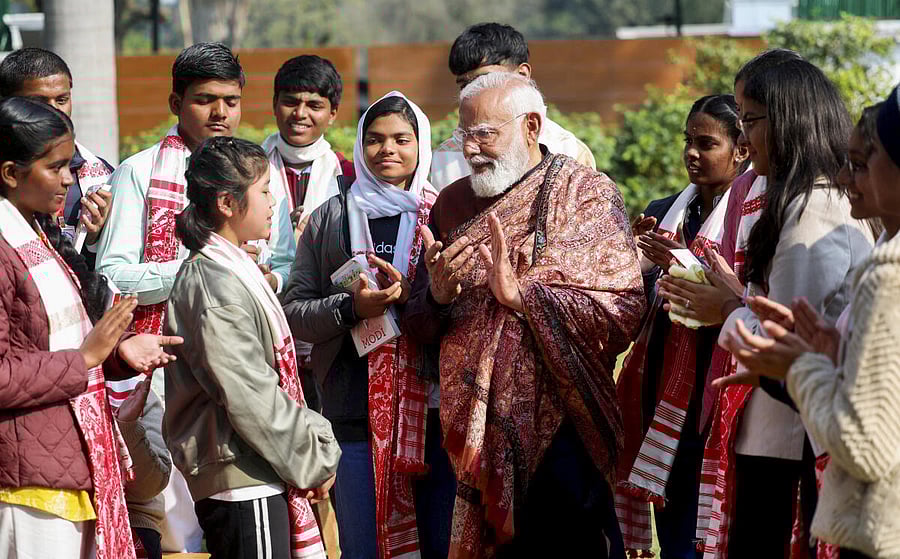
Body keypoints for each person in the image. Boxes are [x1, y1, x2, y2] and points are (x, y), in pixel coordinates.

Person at [403, 72, 644, 558]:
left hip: (566, 431)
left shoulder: (585, 194)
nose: (470, 150)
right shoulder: (450, 205)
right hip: (477, 439)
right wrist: (439, 298)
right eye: (464, 136)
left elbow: (623, 306)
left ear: (531, 126)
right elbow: (418, 325)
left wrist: (524, 297)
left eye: (484, 134)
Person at [659, 59, 873, 559]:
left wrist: (728, 308)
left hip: (791, 436)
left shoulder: (814, 208)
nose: (744, 136)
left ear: (789, 119)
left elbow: (788, 335)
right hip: (776, 429)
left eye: (750, 120)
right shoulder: (793, 198)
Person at [717, 91, 900, 559]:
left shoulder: (888, 275)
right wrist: (834, 353)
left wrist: (800, 366)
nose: (843, 178)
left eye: (861, 163)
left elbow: (863, 445)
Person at [0, 97, 180, 559]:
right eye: (56, 167)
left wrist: (119, 353)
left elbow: (57, 338)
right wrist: (85, 360)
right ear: (9, 173)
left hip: (64, 461)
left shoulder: (36, 234)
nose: (69, 180)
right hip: (24, 482)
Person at [281, 90, 451, 559]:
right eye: (375, 140)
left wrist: (433, 295)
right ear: (359, 145)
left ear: (422, 144)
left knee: (439, 542)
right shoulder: (330, 217)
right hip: (353, 410)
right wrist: (353, 309)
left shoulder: (444, 214)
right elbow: (295, 311)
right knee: (363, 545)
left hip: (432, 413)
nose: (388, 150)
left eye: (401, 139)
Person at [95, 41, 245, 553]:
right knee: (167, 513)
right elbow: (112, 273)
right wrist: (196, 269)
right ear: (175, 103)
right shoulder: (140, 172)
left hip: (236, 364)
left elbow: (282, 265)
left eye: (231, 99)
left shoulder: (250, 171)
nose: (221, 112)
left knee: (234, 511)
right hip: (158, 368)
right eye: (205, 99)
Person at [163, 136, 341, 559]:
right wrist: (311, 455)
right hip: (241, 473)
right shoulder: (214, 281)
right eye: (263, 190)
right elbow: (249, 394)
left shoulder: (231, 268)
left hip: (255, 466)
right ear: (227, 203)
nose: (272, 201)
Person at [614, 94, 748, 559]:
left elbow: (741, 294)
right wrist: (637, 263)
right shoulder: (665, 210)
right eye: (688, 141)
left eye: (706, 143)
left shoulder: (752, 217)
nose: (692, 152)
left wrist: (680, 263)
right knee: (673, 527)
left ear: (742, 150)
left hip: (717, 386)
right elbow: (637, 299)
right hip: (661, 387)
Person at [261, 54, 357, 414]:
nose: (300, 114)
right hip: (261, 326)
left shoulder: (346, 177)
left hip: (325, 332)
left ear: (333, 113)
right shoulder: (246, 169)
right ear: (274, 104)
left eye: (314, 105)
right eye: (290, 102)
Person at [429, 22, 596, 190]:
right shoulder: (445, 159)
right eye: (464, 85)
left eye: (485, 80)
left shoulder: (569, 150)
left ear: (522, 75)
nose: (474, 92)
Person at [0, 47, 115, 268]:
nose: (56, 112)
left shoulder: (102, 177)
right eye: (39, 102)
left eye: (62, 100)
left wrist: (95, 240)